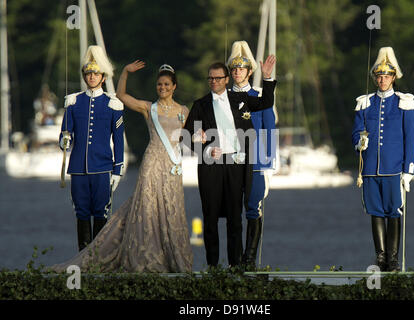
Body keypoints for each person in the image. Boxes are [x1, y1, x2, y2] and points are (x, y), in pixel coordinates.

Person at [51, 61, 193, 273]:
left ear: (174, 86)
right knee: (146, 210)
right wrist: (125, 72)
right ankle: (141, 256)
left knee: (169, 211)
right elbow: (122, 96)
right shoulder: (148, 107)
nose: (162, 88)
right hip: (152, 164)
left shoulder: (183, 111)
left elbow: (191, 138)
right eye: (159, 85)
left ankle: (171, 257)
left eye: (166, 84)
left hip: (172, 167)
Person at [183, 55, 276, 268]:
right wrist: (204, 145)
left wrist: (268, 78)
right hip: (211, 166)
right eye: (210, 79)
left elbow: (266, 102)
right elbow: (186, 137)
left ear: (226, 80)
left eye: (218, 78)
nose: (214, 82)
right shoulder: (200, 104)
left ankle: (236, 266)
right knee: (211, 218)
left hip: (236, 165)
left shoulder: (239, 100)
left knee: (235, 218)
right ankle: (213, 266)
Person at [351, 47, 414, 272]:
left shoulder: (404, 102)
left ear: (393, 78)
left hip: (393, 168)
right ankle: (380, 259)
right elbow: (356, 131)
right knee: (376, 212)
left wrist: (408, 170)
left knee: (393, 212)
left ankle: (393, 260)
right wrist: (360, 141)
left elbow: (410, 138)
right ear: (375, 78)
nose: (382, 79)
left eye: (387, 76)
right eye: (379, 76)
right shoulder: (365, 103)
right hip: (370, 169)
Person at [59, 45, 124, 252]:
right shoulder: (73, 102)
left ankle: (100, 258)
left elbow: (119, 140)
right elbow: (63, 134)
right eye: (88, 73)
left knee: (101, 213)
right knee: (82, 212)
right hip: (78, 168)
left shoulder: (113, 104)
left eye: (96, 73)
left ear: (103, 77)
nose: (92, 76)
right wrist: (65, 140)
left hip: (103, 168)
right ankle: (84, 257)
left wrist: (118, 169)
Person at [226, 41, 276, 270]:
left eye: (242, 69)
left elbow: (269, 130)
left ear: (249, 71)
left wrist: (268, 167)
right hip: (230, 165)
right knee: (232, 213)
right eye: (234, 69)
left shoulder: (260, 97)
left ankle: (249, 259)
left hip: (255, 165)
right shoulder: (222, 99)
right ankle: (234, 261)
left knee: (253, 210)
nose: (237, 72)